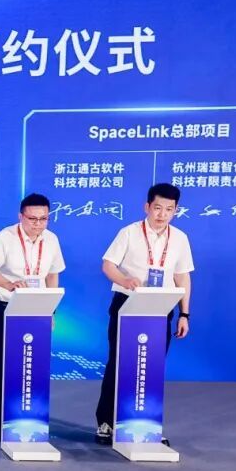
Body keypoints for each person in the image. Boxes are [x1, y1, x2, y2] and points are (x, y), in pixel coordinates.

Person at [94, 182, 193, 445]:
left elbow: (182, 276)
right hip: (128, 303)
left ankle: (147, 424)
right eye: (158, 208)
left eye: (169, 209)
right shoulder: (129, 232)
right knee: (118, 363)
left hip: (160, 307)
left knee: (152, 367)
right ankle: (106, 422)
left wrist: (184, 314)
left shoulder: (180, 238)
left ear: (176, 211)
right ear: (147, 206)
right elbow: (108, 265)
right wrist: (125, 280)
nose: (162, 214)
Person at [0, 193, 65, 443]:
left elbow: (52, 274)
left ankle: (30, 420)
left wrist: (51, 309)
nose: (38, 224)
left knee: (32, 367)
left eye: (43, 219)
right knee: (2, 367)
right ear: (21, 216)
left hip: (37, 309)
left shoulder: (52, 240)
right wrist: (9, 284)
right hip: (5, 307)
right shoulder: (5, 237)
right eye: (32, 219)